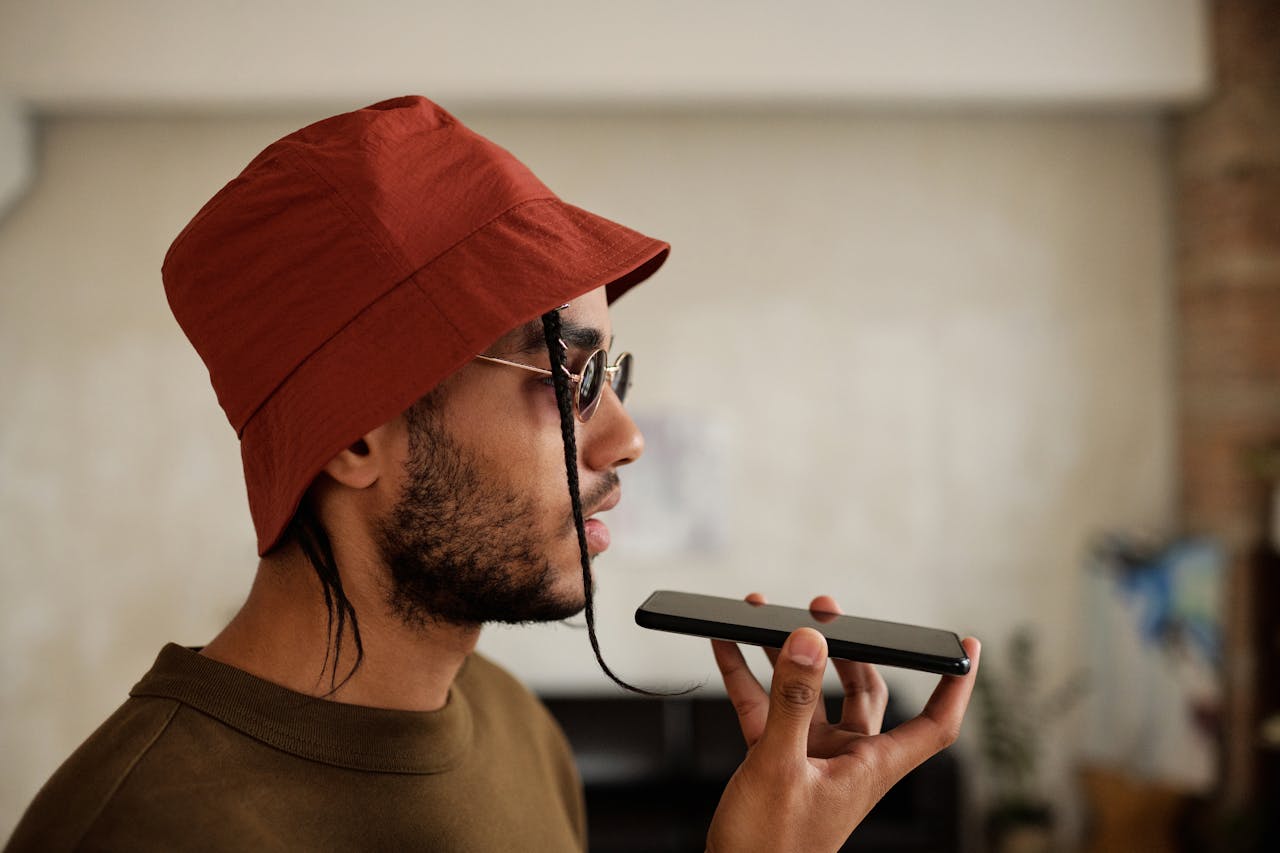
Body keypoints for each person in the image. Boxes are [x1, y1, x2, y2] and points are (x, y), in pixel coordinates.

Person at [6, 95, 979, 853]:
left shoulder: (515, 730)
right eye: (570, 376)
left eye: (612, 374)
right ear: (352, 434)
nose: (626, 438)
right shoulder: (134, 830)